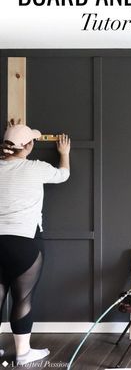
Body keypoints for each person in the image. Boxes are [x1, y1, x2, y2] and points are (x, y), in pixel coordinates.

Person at [0, 121, 70, 366]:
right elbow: (63, 175)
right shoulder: (36, 168)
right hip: (24, 242)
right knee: (22, 298)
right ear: (28, 145)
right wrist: (64, 154)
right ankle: (22, 354)